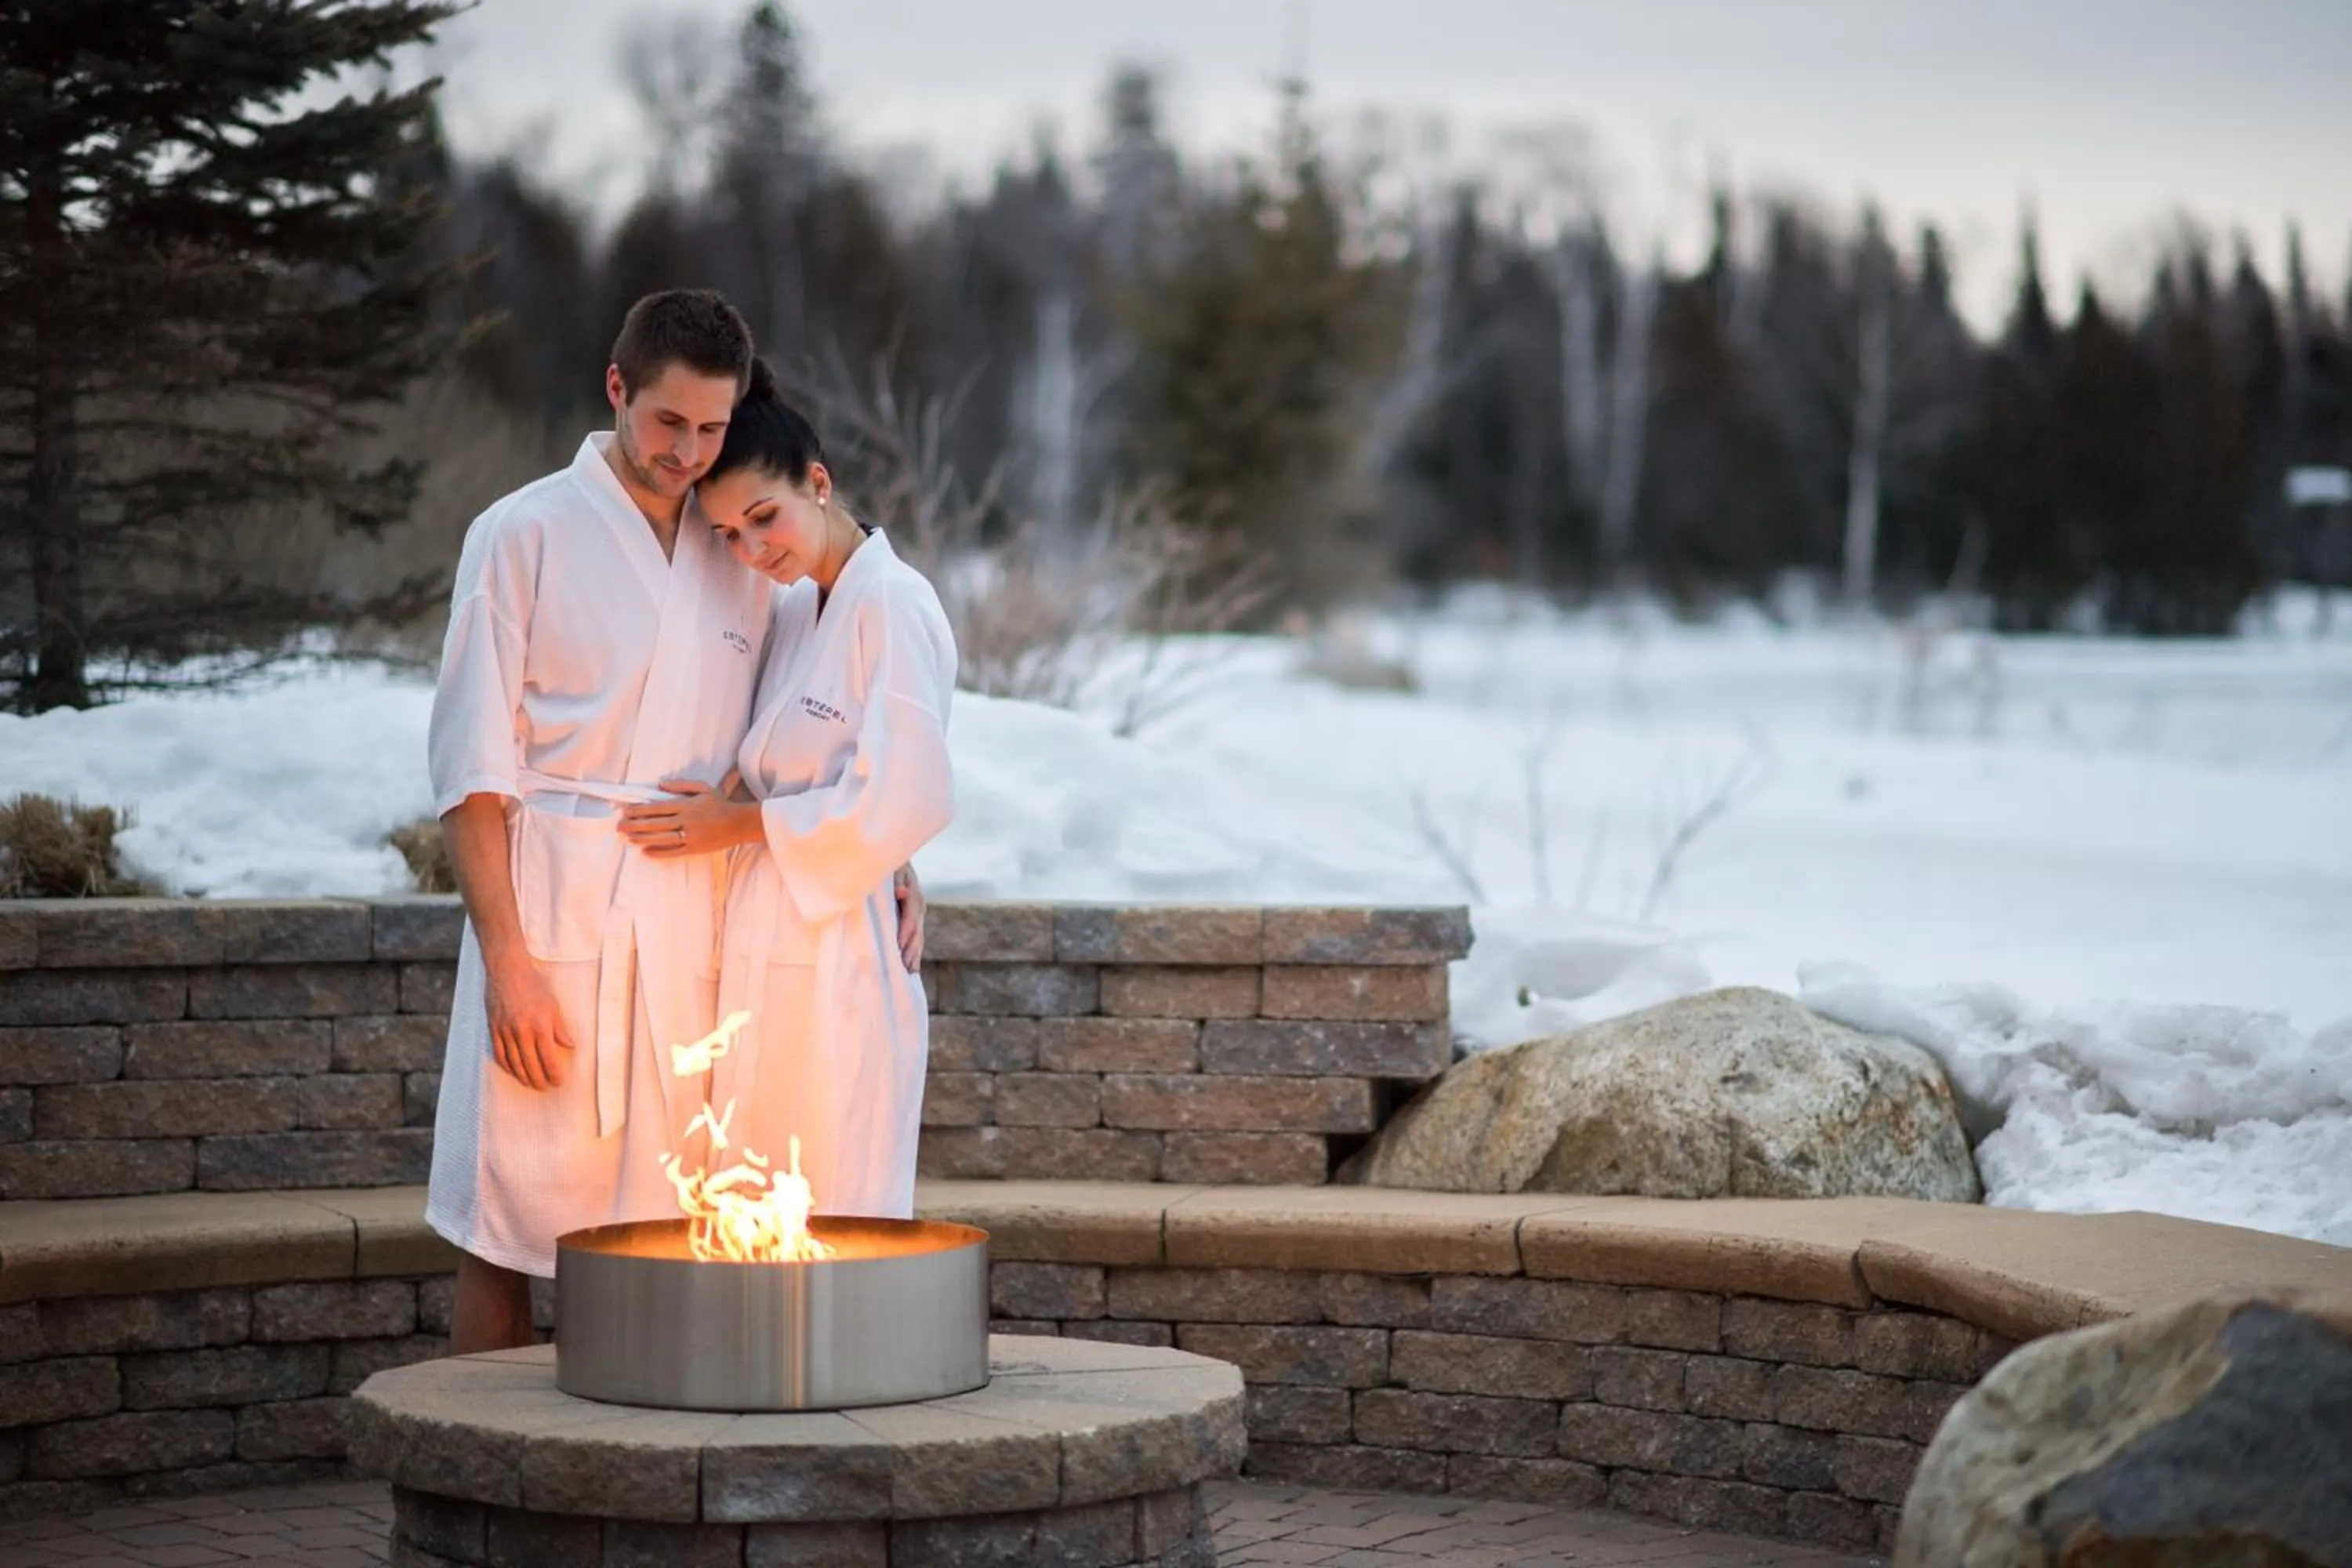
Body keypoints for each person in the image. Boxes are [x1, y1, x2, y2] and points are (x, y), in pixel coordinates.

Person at [423, 292, 924, 1352]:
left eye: (711, 428)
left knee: (668, 1230)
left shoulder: (732, 543)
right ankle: (482, 1485)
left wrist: (893, 855)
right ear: (617, 391)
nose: (689, 453)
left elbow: (819, 720)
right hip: (556, 910)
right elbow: (473, 775)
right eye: (668, 425)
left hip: (700, 929)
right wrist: (510, 960)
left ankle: (632, 1479)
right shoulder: (519, 535)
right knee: (509, 1223)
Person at [619, 360, 956, 1220]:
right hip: (769, 942)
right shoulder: (801, 607)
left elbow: (904, 792)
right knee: (751, 1198)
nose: (752, 549)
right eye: (729, 534)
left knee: (833, 1196)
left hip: (837, 957)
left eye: (763, 517)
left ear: (818, 481)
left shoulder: (896, 605)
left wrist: (735, 827)